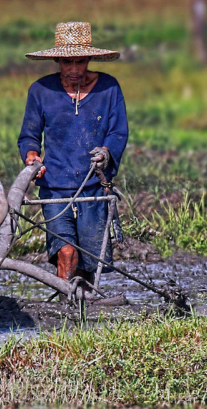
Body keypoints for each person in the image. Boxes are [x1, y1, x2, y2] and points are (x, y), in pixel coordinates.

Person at [18, 22, 128, 285]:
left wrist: (106, 152)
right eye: (68, 63)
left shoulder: (109, 89)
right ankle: (67, 309)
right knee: (66, 252)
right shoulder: (41, 91)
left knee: (89, 262)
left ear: (89, 59)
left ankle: (82, 307)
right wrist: (32, 155)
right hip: (55, 188)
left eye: (81, 62)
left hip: (93, 187)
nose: (75, 70)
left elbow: (117, 132)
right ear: (57, 60)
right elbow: (29, 135)